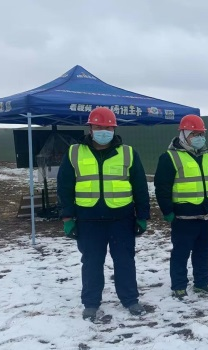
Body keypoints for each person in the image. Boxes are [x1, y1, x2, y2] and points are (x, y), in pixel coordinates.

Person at [57, 106, 150, 320]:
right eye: (99, 127)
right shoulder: (74, 152)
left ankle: (130, 299)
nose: (104, 132)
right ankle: (91, 303)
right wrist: (67, 217)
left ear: (114, 129)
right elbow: (64, 187)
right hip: (88, 220)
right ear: (90, 128)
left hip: (121, 219)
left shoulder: (128, 153)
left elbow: (140, 187)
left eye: (108, 128)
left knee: (125, 261)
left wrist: (142, 216)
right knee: (91, 263)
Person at [154, 114, 208, 299]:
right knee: (181, 252)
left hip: (207, 214)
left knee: (203, 251)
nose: (199, 137)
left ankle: (202, 282)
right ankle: (179, 285)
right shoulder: (170, 157)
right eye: (194, 134)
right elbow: (162, 187)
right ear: (184, 135)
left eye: (201, 134)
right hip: (183, 216)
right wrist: (167, 210)